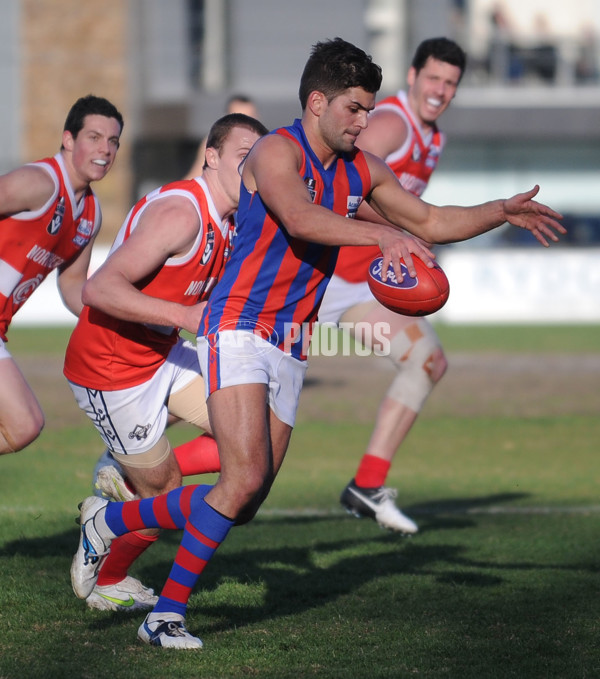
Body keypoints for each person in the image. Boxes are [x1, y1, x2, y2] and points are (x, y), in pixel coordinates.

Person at [70, 37, 564, 651]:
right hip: (238, 326)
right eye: (355, 109)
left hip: (292, 342)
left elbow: (431, 220)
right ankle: (165, 615)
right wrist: (378, 238)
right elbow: (300, 216)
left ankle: (110, 520)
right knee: (243, 477)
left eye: (370, 108)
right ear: (316, 102)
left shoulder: (361, 168)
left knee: (244, 501)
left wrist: (499, 210)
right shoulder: (277, 150)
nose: (366, 121)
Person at [64, 113, 267, 613]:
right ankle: (109, 578)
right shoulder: (183, 214)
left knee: (252, 438)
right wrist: (187, 315)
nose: (253, 173)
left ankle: (118, 472)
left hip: (162, 356)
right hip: (113, 374)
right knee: (164, 497)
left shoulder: (231, 218)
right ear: (212, 157)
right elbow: (99, 288)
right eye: (243, 159)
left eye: (258, 163)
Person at [318, 37, 466, 533]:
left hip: (362, 289)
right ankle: (130, 453)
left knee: (427, 361)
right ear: (412, 76)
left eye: (450, 83)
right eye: (433, 79)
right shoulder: (394, 123)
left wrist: (404, 235)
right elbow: (340, 177)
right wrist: (393, 231)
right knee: (248, 392)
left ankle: (367, 485)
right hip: (322, 278)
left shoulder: (433, 137)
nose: (440, 90)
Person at [0, 94, 123, 456]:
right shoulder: (39, 182)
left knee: (23, 427)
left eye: (113, 141)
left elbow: (72, 285)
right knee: (22, 424)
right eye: (94, 137)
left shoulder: (90, 213)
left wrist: (119, 321)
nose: (106, 149)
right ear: (69, 140)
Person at [184, 93, 259, 179]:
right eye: (238, 119)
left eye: (249, 119)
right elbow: (195, 175)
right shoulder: (215, 142)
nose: (244, 126)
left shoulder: (265, 146)